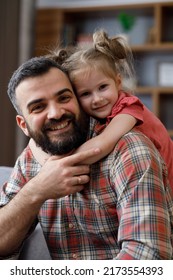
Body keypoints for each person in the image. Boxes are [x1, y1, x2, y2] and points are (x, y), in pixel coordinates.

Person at [0, 56, 173, 260]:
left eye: (64, 98)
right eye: (38, 107)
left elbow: (147, 259)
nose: (56, 113)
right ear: (23, 125)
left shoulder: (129, 149)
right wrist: (36, 190)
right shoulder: (30, 160)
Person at [30, 29, 173, 190]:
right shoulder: (92, 114)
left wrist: (54, 165)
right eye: (85, 94)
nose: (97, 99)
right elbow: (33, 143)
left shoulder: (129, 108)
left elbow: (101, 145)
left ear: (118, 82)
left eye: (103, 87)